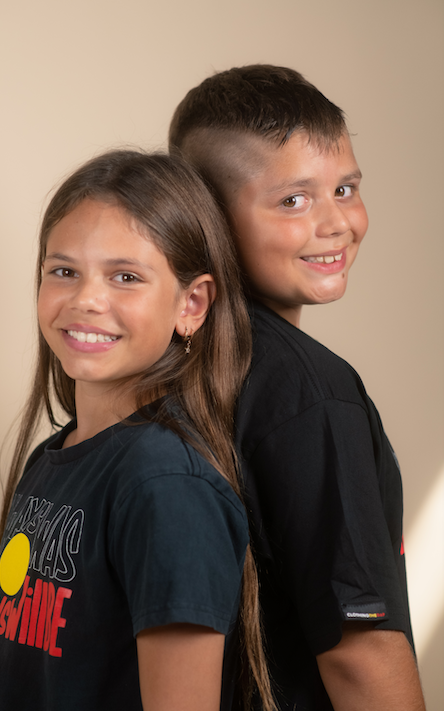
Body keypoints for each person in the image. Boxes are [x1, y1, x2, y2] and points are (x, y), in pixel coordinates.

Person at [0, 150, 276, 711]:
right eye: (64, 271)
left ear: (191, 303)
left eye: (126, 277)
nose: (86, 299)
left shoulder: (166, 485)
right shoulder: (52, 458)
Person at [169, 65, 426, 710]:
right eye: (294, 199)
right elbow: (361, 651)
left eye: (345, 187)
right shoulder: (313, 394)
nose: (337, 221)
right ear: (207, 218)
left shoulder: (171, 357)